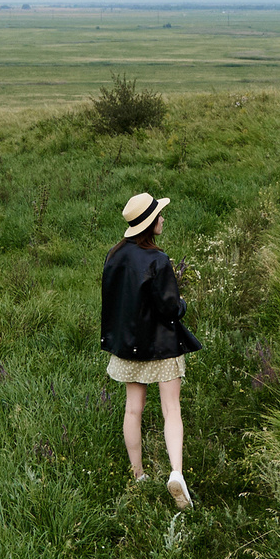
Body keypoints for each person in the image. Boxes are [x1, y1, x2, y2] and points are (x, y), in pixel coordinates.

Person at [101, 190, 200, 507]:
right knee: (171, 409)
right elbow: (169, 309)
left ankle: (138, 475)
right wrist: (182, 304)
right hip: (161, 345)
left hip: (128, 346)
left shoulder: (114, 256)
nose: (162, 218)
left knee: (133, 409)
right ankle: (176, 474)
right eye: (158, 214)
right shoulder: (157, 260)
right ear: (148, 224)